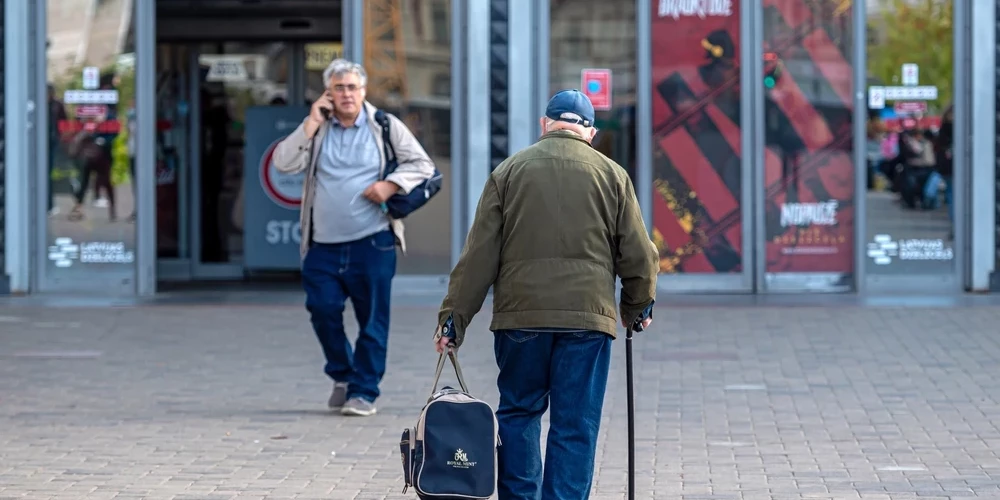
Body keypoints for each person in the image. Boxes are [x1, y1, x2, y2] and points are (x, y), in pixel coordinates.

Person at [433, 89, 659, 499]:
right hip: (587, 322)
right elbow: (639, 255)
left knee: (519, 415)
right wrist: (636, 306)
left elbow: (478, 256)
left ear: (545, 124)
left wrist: (454, 319)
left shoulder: (509, 171)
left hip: (521, 320)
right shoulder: (612, 175)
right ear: (589, 131)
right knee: (575, 424)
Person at [271, 58, 436, 417]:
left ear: (363, 91)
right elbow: (283, 163)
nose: (346, 94)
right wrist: (311, 121)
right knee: (322, 309)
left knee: (372, 320)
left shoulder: (384, 125)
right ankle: (343, 374)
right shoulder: (318, 129)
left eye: (352, 88)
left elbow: (422, 165)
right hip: (322, 245)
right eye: (338, 88)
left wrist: (389, 185)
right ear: (328, 93)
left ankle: (364, 392)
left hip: (372, 241)